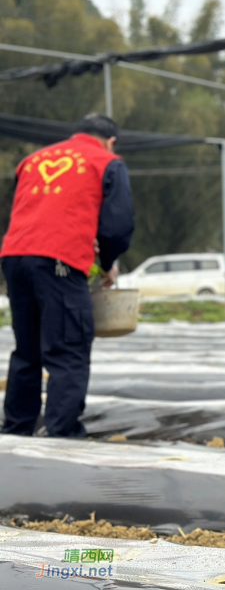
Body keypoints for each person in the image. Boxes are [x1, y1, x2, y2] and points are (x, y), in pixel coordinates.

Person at [0, 113, 134, 437]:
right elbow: (117, 226)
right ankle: (61, 434)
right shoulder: (107, 162)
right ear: (111, 140)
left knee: (27, 348)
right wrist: (107, 262)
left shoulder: (32, 160)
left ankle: (17, 429)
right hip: (58, 260)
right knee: (68, 347)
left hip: (14, 256)